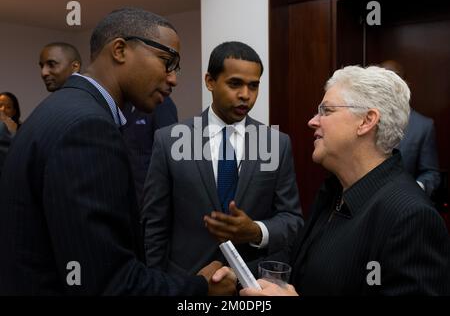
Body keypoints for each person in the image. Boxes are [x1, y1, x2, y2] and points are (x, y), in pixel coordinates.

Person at [0, 8, 235, 295]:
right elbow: (109, 283)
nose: (173, 79)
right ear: (120, 50)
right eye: (167, 62)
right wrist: (200, 288)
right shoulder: (87, 127)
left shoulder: (59, 108)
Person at [241, 65, 450, 296]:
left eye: (327, 111)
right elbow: (299, 256)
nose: (313, 121)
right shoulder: (333, 190)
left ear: (366, 121)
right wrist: (239, 275)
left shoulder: (412, 218)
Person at [142, 41, 303, 276]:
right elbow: (155, 224)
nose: (245, 95)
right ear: (210, 81)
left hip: (250, 282)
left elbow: (292, 219)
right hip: (188, 282)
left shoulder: (276, 144)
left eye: (253, 86)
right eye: (235, 83)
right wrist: (158, 285)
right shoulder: (169, 141)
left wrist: (256, 231)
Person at [380, 60, 440, 197]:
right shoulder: (360, 119)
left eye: (393, 77)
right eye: (382, 78)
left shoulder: (423, 126)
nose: (387, 83)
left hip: (400, 205)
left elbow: (431, 173)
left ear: (404, 84)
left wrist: (414, 189)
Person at [121, 96, 178, 205]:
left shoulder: (162, 104)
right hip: (127, 196)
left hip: (149, 199)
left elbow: (168, 158)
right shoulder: (125, 104)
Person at [0, 92, 21, 173]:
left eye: (8, 107)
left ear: (14, 112)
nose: (3, 110)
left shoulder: (22, 131)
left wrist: (13, 134)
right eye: (0, 105)